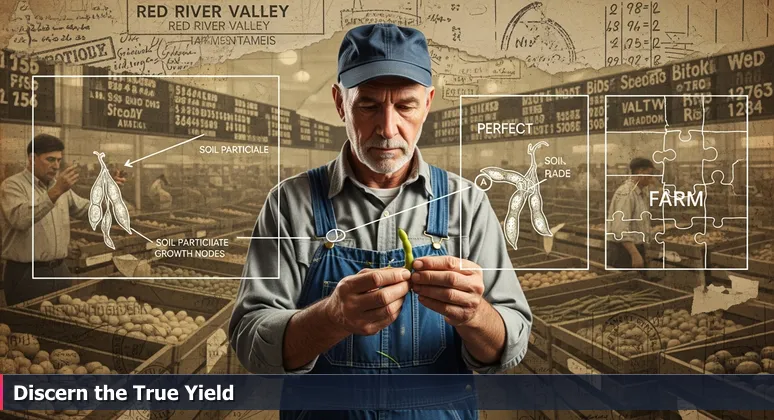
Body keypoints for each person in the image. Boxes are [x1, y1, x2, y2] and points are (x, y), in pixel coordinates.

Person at [229, 24, 532, 420]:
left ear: (427, 104)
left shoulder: (467, 204)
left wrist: (475, 315)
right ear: (340, 102)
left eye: (405, 106)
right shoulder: (290, 204)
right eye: (368, 106)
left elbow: (512, 343)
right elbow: (252, 341)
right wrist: (331, 317)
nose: (388, 129)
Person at [0, 134, 125, 305]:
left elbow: (88, 211)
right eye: (50, 159)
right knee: (27, 326)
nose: (56, 166)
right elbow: (20, 219)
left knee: (61, 325)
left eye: (59, 160)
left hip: (60, 269)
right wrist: (57, 191)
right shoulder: (13, 186)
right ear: (32, 158)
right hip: (27, 274)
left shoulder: (58, 187)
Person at [606, 157, 656, 268]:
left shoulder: (640, 193)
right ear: (640, 172)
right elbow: (619, 229)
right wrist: (635, 254)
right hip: (623, 252)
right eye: (650, 174)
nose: (652, 178)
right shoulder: (627, 193)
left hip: (634, 248)